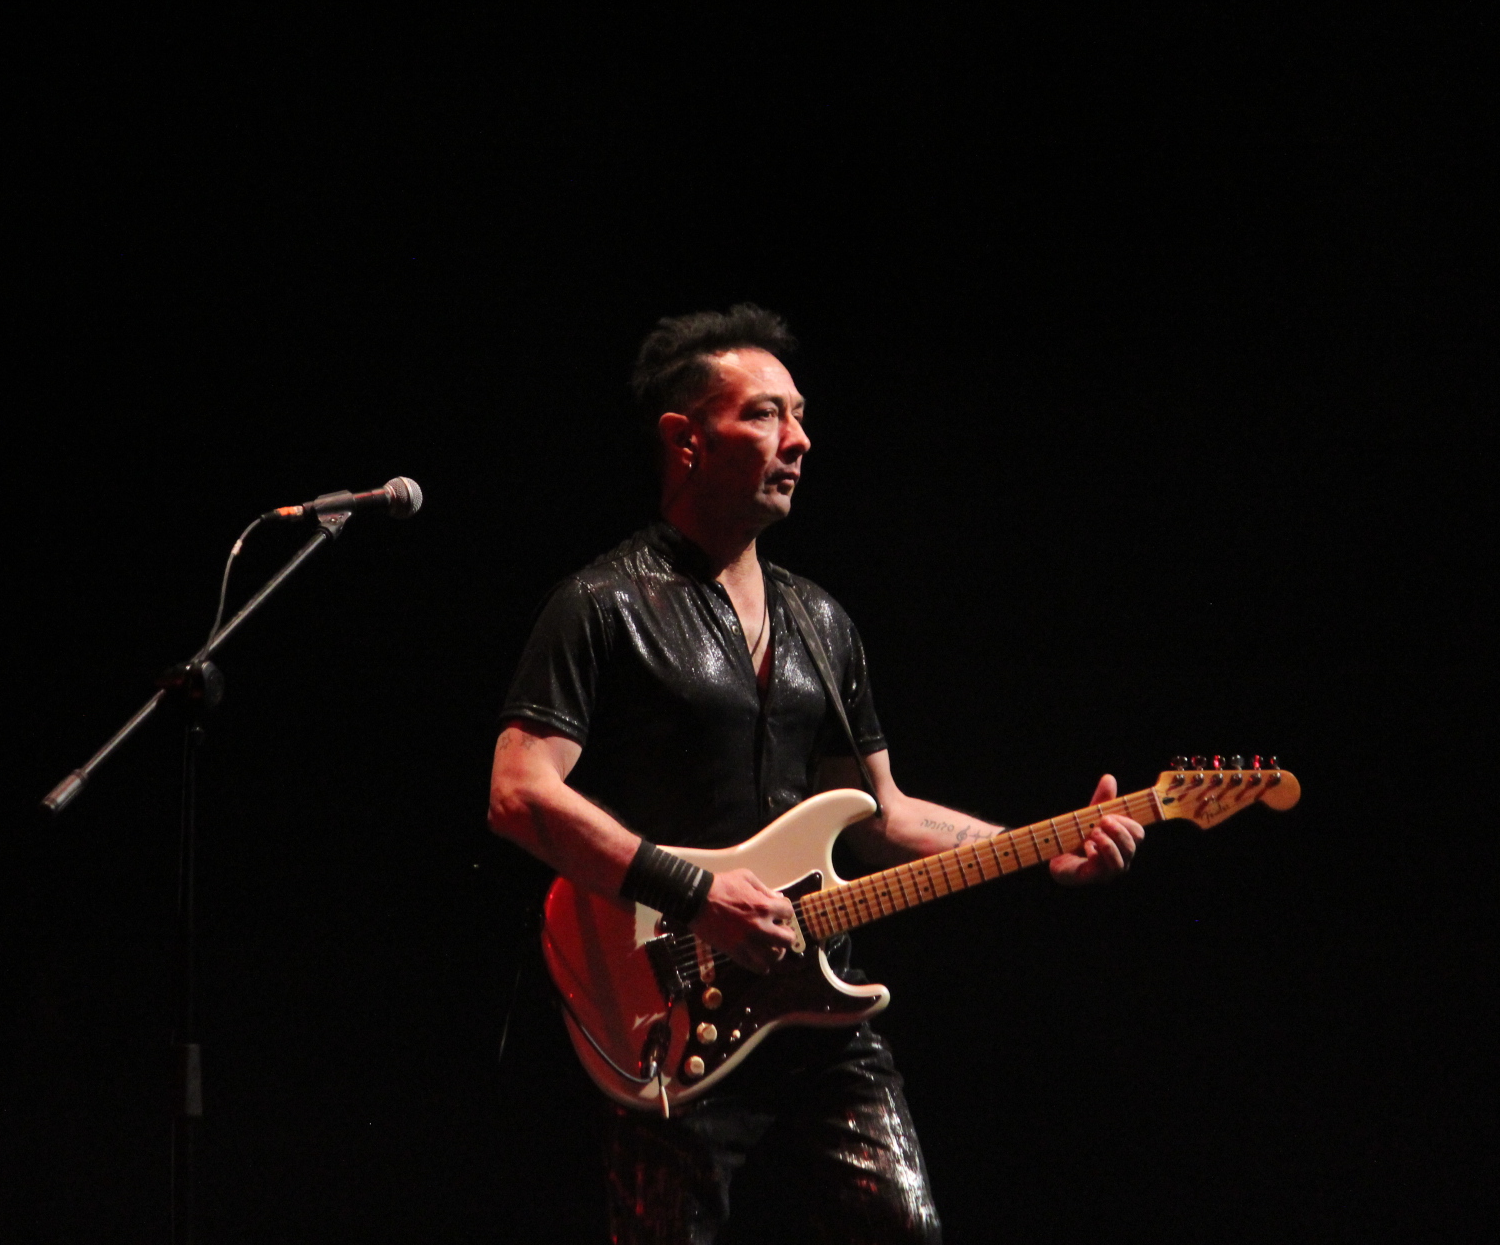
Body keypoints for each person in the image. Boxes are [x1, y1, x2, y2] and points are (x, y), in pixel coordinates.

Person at [487, 304, 1143, 1243]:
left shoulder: (820, 622)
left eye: (798, 414)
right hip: (662, 1008)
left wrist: (1042, 848)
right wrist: (697, 895)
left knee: (901, 1228)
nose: (798, 439)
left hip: (816, 1004)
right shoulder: (601, 604)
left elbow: (881, 814)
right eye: (763, 414)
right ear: (686, 440)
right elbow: (519, 794)